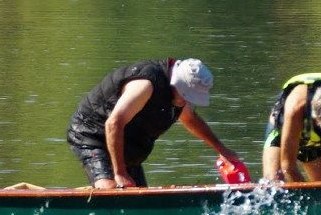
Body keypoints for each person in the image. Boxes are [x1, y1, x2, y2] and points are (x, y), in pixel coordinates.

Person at [67, 58, 242, 189]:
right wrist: (120, 174)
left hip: (125, 144)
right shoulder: (145, 85)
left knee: (139, 197)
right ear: (177, 84)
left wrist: (222, 150)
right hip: (91, 134)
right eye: (187, 96)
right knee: (112, 188)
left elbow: (190, 119)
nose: (187, 101)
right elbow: (114, 123)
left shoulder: (178, 98)